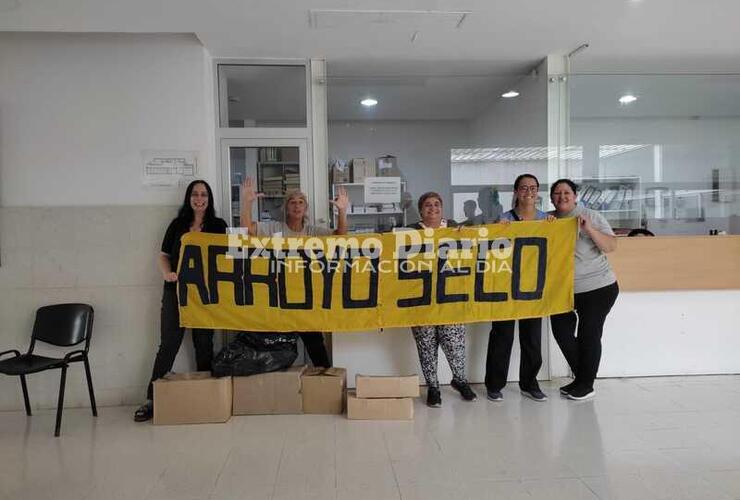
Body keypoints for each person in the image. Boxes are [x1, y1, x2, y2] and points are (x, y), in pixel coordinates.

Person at [134, 180, 228, 422]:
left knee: (204, 344)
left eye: (204, 194)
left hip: (205, 295)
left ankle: (207, 397)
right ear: (188, 198)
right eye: (195, 194)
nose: (199, 198)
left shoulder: (219, 226)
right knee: (168, 345)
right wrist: (167, 273)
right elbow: (164, 256)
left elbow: (228, 257)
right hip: (175, 292)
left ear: (209, 199)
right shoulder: (177, 225)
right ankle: (152, 399)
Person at [239, 177, 349, 367]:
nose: (297, 206)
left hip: (306, 299)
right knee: (278, 346)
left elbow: (340, 237)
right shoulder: (274, 227)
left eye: (301, 202)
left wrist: (342, 211)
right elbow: (247, 231)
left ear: (305, 208)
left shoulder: (313, 231)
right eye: (292, 202)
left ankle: (327, 381)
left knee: (315, 344)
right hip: (280, 299)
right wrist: (246, 203)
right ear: (286, 207)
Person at [485, 174, 555, 403]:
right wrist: (497, 231)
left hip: (534, 286)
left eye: (533, 188)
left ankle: (529, 383)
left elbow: (556, 249)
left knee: (532, 338)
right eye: (523, 188)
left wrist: (556, 230)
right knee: (502, 336)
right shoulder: (504, 218)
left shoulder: (548, 220)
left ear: (538, 191)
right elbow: (492, 251)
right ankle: (494, 385)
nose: (528, 192)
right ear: (516, 192)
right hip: (507, 286)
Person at [549, 178, 619, 401]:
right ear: (551, 198)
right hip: (563, 290)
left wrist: (588, 229)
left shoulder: (591, 216)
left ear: (575, 195)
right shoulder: (548, 220)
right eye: (557, 193)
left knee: (589, 335)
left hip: (597, 287)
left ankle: (586, 384)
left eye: (566, 192)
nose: (562, 197)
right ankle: (582, 379)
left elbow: (611, 246)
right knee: (561, 332)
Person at [407, 192, 477, 407]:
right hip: (422, 298)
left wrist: (466, 235)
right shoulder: (410, 231)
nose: (433, 208)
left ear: (442, 208)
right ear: (421, 210)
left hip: (450, 297)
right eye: (427, 205)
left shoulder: (455, 227)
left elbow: (473, 247)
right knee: (426, 345)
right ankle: (433, 387)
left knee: (454, 344)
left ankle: (460, 380)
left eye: (437, 204)